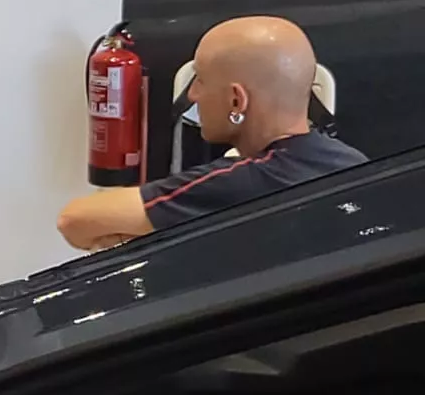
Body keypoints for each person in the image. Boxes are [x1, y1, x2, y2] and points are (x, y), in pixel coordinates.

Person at [57, 16, 365, 252]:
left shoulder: (245, 180)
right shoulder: (352, 162)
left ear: (236, 100)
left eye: (200, 80)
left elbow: (75, 221)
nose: (192, 94)